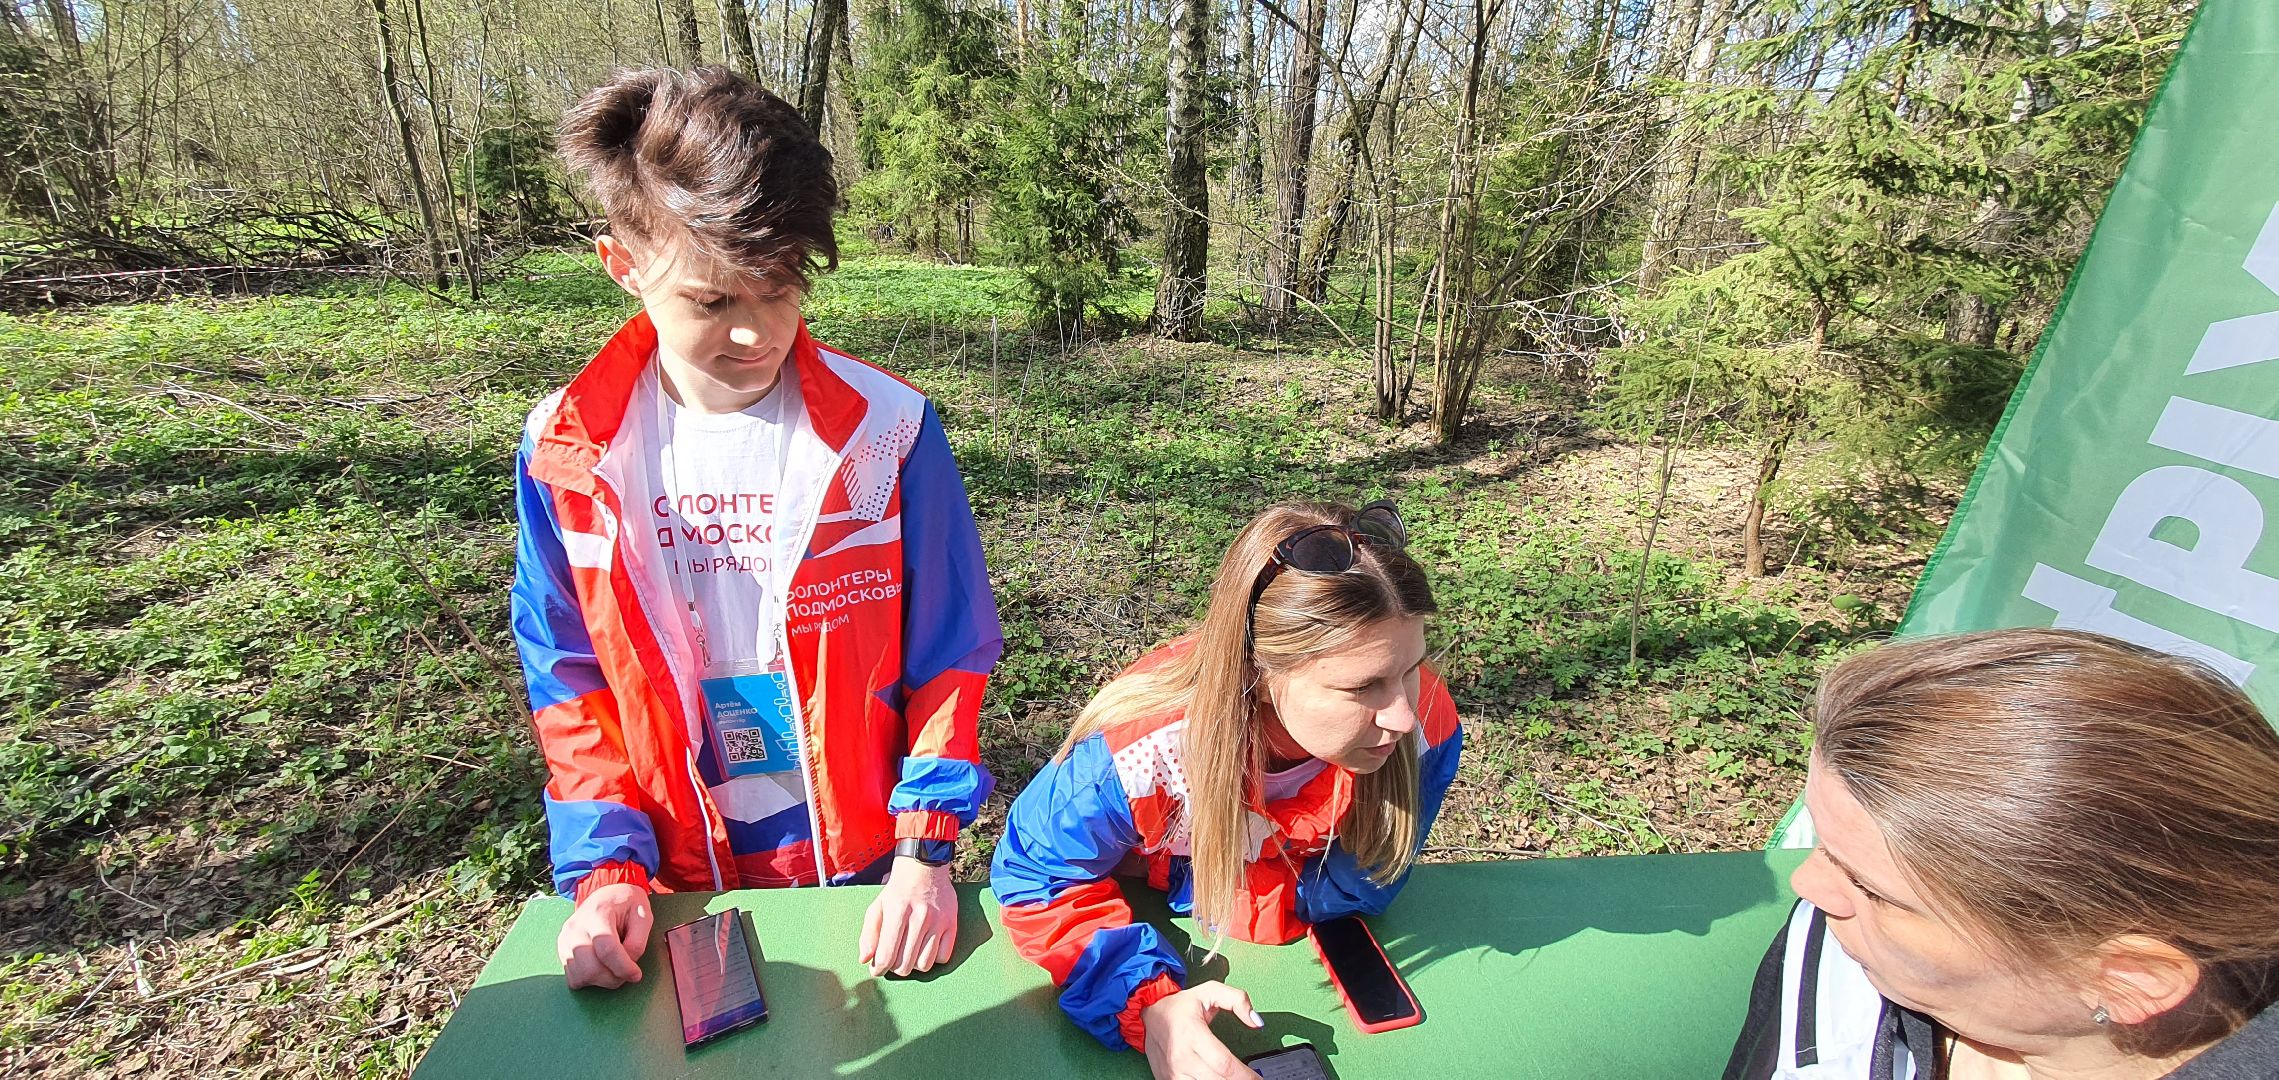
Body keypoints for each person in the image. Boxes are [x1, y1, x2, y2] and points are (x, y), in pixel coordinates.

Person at [510, 67, 1002, 991]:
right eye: (713, 300)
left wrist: (925, 852)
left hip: (865, 860)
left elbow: (951, 654)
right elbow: (567, 677)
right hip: (676, 866)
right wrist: (606, 867)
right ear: (621, 263)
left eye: (780, 288)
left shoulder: (886, 430)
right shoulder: (566, 452)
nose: (758, 331)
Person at [991, 501, 1465, 1080]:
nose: (1403, 715)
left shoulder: (1429, 726)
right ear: (1257, 674)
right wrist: (1153, 1004)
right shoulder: (1138, 752)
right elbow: (1037, 874)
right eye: (1364, 686)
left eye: (1411, 667)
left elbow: (1361, 885)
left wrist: (1201, 883)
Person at [1726, 629, 2279, 1080]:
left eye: (1871, 890)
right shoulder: (1845, 954)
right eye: (1824, 843)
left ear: (2130, 979)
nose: (1807, 884)